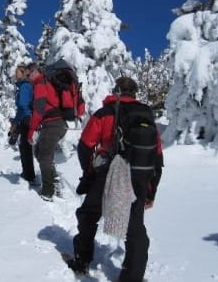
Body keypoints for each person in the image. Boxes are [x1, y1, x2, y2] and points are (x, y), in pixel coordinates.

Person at [66, 77, 164, 282]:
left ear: (116, 91)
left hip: (109, 175)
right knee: (134, 228)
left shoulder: (106, 113)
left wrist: (89, 173)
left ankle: (82, 260)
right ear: (134, 93)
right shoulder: (146, 115)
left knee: (88, 214)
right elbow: (157, 157)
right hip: (139, 177)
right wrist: (151, 191)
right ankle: (132, 277)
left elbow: (84, 146)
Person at [26, 62, 67, 200]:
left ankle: (48, 191)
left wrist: (32, 129)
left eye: (28, 74)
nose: (28, 77)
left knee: (44, 155)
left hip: (53, 123)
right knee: (40, 152)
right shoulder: (43, 83)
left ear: (34, 71)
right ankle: (53, 181)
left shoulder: (40, 84)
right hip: (54, 123)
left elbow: (39, 109)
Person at [10, 65, 35, 183]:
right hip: (25, 118)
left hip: (26, 119)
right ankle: (28, 173)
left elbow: (23, 106)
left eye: (17, 72)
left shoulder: (25, 86)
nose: (15, 74)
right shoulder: (24, 86)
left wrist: (15, 122)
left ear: (23, 73)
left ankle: (29, 175)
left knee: (25, 147)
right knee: (24, 147)